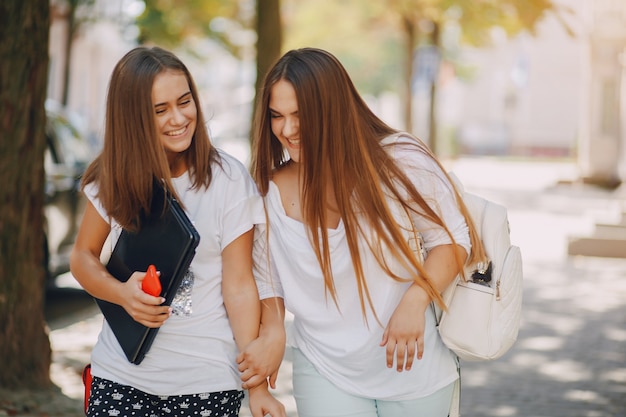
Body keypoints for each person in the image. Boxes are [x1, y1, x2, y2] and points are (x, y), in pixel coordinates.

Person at [239, 47, 487, 417]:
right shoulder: (267, 190)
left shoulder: (400, 160)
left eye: (300, 116)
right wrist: (275, 327)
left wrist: (415, 300)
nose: (287, 130)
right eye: (277, 116)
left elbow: (452, 239)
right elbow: (265, 277)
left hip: (416, 372)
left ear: (334, 109)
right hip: (325, 371)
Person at [70, 46, 285, 417]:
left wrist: (258, 387)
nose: (179, 118)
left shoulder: (229, 180)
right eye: (160, 110)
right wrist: (122, 294)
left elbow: (239, 285)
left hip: (207, 384)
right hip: (121, 376)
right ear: (133, 118)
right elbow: (82, 257)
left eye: (185, 101)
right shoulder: (112, 176)